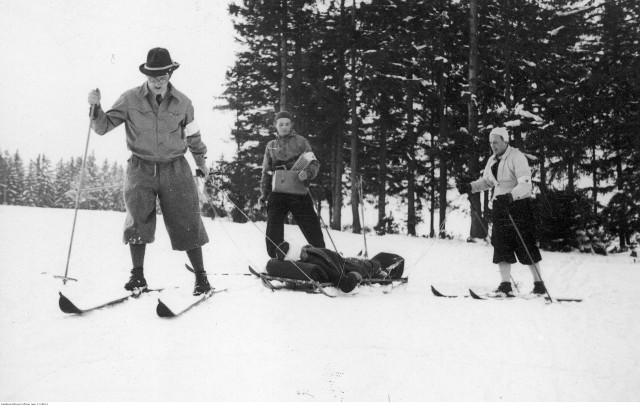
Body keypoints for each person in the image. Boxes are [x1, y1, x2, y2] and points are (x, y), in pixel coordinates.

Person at [87, 47, 212, 295]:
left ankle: (201, 277)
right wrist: (95, 107)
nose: (157, 82)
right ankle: (138, 276)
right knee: (138, 220)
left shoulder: (184, 103)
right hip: (140, 168)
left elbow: (194, 136)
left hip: (175, 167)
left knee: (187, 220)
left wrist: (201, 162)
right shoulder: (129, 99)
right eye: (153, 77)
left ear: (169, 75)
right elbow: (102, 127)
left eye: (162, 77)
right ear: (146, 75)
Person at [456, 127, 546, 297]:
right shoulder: (492, 160)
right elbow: (488, 182)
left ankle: (539, 285)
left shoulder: (517, 157)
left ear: (505, 141)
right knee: (501, 245)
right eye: (491, 142)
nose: (493, 146)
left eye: (496, 142)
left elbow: (526, 184)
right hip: (500, 207)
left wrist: (510, 197)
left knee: (525, 244)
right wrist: (470, 187)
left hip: (519, 206)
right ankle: (505, 285)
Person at [259, 111, 326, 259]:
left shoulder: (301, 141)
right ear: (275, 125)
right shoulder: (271, 146)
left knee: (311, 225)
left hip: (298, 191)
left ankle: (322, 256)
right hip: (278, 190)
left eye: (287, 124)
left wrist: (308, 173)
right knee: (273, 225)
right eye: (280, 124)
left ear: (291, 125)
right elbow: (266, 172)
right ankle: (277, 255)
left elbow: (314, 162)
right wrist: (264, 194)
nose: (284, 127)